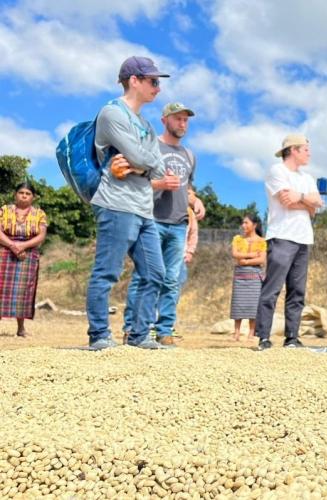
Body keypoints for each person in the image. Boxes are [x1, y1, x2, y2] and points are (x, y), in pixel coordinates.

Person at [86, 56, 171, 350]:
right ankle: (99, 335)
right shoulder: (112, 113)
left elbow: (158, 166)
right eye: (153, 81)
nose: (158, 88)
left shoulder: (145, 123)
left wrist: (140, 165)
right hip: (116, 204)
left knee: (155, 273)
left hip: (143, 207)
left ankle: (138, 334)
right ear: (134, 80)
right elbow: (143, 158)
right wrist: (142, 163)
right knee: (107, 271)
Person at [119, 102, 205, 347]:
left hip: (179, 225)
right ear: (164, 120)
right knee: (144, 277)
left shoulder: (189, 155)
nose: (182, 124)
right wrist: (159, 185)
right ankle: (131, 329)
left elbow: (187, 188)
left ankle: (164, 331)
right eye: (177, 119)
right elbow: (132, 181)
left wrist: (196, 199)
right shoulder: (150, 146)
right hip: (151, 221)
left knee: (172, 280)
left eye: (186, 120)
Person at [255, 134, 323, 350]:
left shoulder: (307, 178)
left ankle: (292, 337)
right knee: (272, 288)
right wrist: (308, 203)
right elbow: (286, 202)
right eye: (305, 149)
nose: (309, 153)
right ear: (293, 150)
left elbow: (317, 205)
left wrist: (300, 197)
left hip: (304, 238)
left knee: (297, 290)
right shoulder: (277, 171)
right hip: (282, 236)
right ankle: (263, 336)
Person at [0, 182, 48, 337]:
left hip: (27, 255)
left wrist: (23, 246)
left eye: (28, 193)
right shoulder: (4, 210)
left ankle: (21, 328)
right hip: (4, 251)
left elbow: (41, 235)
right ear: (15, 194)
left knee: (23, 292)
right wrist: (13, 245)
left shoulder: (39, 214)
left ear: (32, 197)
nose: (24, 196)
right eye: (21, 192)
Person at [231, 214, 266, 341]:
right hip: (240, 275)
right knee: (237, 304)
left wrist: (245, 260)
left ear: (254, 225)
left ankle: (251, 333)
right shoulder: (237, 239)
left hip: (255, 276)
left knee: (253, 304)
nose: (243, 225)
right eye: (243, 223)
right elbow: (235, 254)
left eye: (246, 223)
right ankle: (236, 332)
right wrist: (251, 255)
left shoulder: (262, 241)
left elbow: (261, 259)